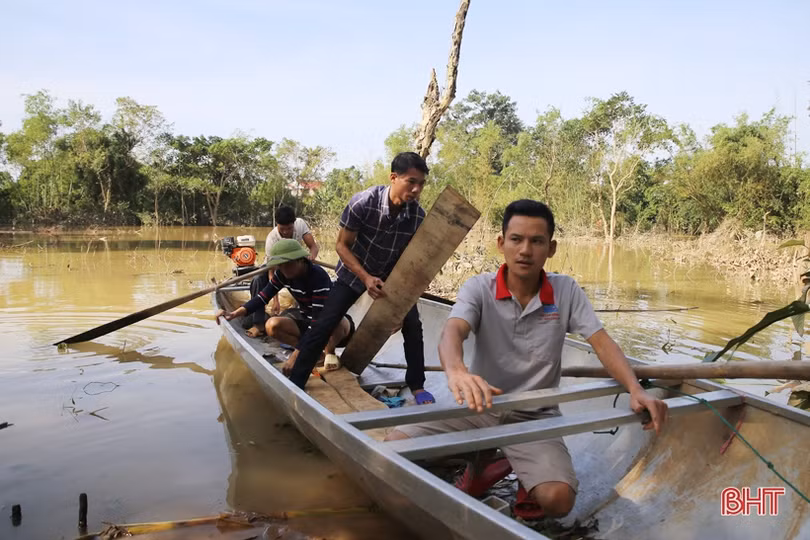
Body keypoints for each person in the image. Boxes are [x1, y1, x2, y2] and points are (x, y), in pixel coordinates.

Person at [385, 199, 669, 519]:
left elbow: (602, 343)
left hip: (534, 416)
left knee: (559, 501)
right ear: (501, 243)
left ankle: (515, 464)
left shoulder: (566, 291)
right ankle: (489, 460)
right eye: (516, 239)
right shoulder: (479, 288)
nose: (525, 250)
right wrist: (457, 371)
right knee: (392, 449)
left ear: (551, 248)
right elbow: (452, 332)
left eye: (537, 241)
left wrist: (635, 388)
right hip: (476, 407)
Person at [285, 151, 434, 405]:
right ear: (393, 178)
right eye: (411, 182)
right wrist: (365, 277)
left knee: (413, 325)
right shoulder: (363, 203)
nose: (417, 189)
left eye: (421, 184)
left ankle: (417, 385)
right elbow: (342, 246)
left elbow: (412, 261)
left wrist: (400, 304)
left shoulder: (417, 216)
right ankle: (296, 383)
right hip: (354, 273)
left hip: (390, 278)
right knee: (324, 324)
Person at [217, 239, 352, 370]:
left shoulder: (318, 276)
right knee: (272, 325)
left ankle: (329, 352)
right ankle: (314, 354)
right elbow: (262, 298)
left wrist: (294, 357)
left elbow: (317, 322)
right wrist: (234, 314)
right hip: (306, 320)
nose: (283, 269)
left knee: (339, 323)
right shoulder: (282, 274)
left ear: (300, 260)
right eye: (280, 265)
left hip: (327, 325)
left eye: (287, 264)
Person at [246, 205, 319, 338]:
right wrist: (276, 300)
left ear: (294, 223)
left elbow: (313, 246)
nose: (285, 232)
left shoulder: (300, 224)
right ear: (277, 225)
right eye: (282, 229)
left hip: (294, 263)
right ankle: (258, 324)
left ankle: (304, 318)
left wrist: (312, 257)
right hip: (273, 267)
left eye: (289, 228)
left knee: (306, 277)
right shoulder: (271, 239)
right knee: (257, 279)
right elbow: (271, 273)